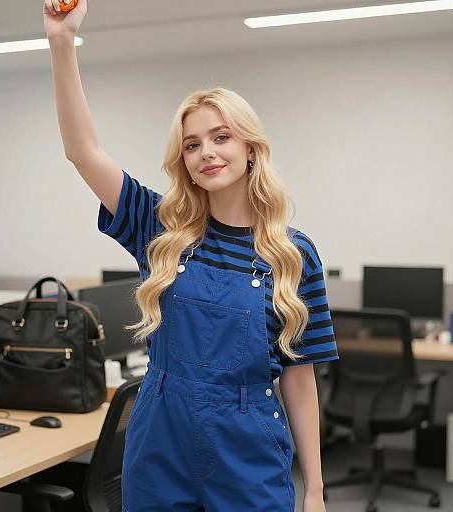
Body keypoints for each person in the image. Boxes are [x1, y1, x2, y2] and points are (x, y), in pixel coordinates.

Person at [44, 1, 339, 510]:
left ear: (251, 148)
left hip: (247, 445)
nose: (207, 153)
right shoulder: (161, 227)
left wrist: (313, 487)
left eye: (221, 137)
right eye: (192, 144)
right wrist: (61, 42)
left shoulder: (293, 253)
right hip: (161, 438)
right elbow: (81, 151)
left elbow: (299, 373)